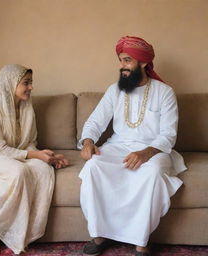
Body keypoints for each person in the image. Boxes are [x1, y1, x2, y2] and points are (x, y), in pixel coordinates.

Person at [78, 36, 187, 256]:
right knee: (93, 167)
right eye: (121, 60)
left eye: (127, 60)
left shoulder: (164, 92)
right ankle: (99, 236)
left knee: (152, 172)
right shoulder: (114, 90)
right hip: (118, 146)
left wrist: (146, 153)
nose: (122, 66)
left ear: (144, 63)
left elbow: (168, 134)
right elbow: (95, 121)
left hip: (155, 150)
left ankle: (140, 242)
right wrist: (88, 141)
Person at [0, 64, 69, 255]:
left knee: (43, 170)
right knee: (19, 171)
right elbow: (0, 148)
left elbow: (30, 142)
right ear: (10, 84)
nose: (31, 87)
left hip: (15, 153)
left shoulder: (27, 108)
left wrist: (48, 157)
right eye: (26, 83)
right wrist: (35, 155)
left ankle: (23, 233)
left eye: (31, 83)